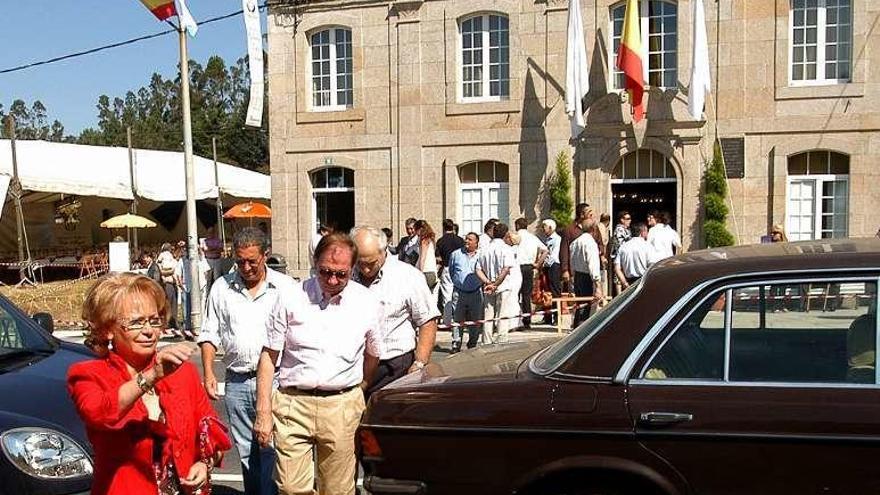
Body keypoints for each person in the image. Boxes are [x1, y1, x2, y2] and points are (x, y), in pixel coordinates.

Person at [67, 273, 230, 495]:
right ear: (107, 330)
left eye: (154, 321)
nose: (149, 331)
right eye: (135, 322)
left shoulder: (183, 373)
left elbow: (213, 434)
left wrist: (204, 464)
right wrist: (152, 375)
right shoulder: (89, 374)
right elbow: (99, 413)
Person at [253, 233, 382, 495]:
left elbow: (373, 355)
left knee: (336, 490)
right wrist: (263, 411)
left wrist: (359, 389)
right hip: (293, 403)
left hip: (341, 406)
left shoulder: (367, 303)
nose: (332, 280)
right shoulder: (290, 296)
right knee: (289, 488)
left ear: (352, 269)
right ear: (315, 262)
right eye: (325, 272)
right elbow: (268, 356)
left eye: (341, 274)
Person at [198, 227, 296, 495]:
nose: (246, 267)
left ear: (265, 255)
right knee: (246, 451)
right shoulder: (222, 288)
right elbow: (210, 332)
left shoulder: (286, 288)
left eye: (253, 260)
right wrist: (208, 372)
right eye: (240, 260)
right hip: (237, 382)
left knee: (272, 449)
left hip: (277, 382)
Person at [352, 226, 440, 395]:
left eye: (370, 263)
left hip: (393, 367)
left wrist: (420, 363)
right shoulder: (347, 275)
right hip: (354, 366)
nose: (365, 269)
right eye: (359, 263)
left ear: (384, 251)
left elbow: (428, 321)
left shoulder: (408, 277)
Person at [476, 222, 516, 344]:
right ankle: (501, 340)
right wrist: (496, 284)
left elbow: (478, 269)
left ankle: (486, 340)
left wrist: (488, 282)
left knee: (488, 315)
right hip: (503, 285)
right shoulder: (507, 249)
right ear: (506, 234)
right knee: (502, 315)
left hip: (489, 285)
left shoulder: (484, 249)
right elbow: (505, 269)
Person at [448, 232, 483, 352]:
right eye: (466, 239)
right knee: (457, 318)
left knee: (475, 320)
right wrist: (458, 283)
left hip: (476, 292)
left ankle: (472, 344)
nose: (467, 241)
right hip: (459, 292)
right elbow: (452, 271)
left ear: (476, 243)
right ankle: (456, 344)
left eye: (470, 240)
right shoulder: (456, 254)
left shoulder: (481, 255)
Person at [569, 207, 603, 328]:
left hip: (577, 275)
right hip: (586, 277)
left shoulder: (575, 242)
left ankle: (576, 326)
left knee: (579, 304)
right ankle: (582, 328)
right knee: (585, 306)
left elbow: (571, 262)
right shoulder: (590, 243)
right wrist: (598, 285)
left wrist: (572, 278)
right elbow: (593, 264)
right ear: (593, 229)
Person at [514, 218, 548, 329]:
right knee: (526, 295)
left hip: (517, 267)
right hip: (529, 267)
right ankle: (527, 320)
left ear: (517, 226)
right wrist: (538, 263)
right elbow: (545, 250)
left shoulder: (516, 237)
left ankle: (515, 320)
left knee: (515, 294)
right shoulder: (533, 238)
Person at [175, 248, 211, 338]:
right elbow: (178, 273)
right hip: (187, 287)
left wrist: (205, 284)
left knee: (200, 309)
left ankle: (200, 328)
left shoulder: (200, 259)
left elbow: (207, 271)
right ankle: (187, 329)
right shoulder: (182, 260)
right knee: (186, 309)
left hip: (199, 287)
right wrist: (180, 284)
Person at [436, 219, 465, 324]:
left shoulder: (440, 241)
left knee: (446, 295)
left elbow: (438, 258)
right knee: (458, 294)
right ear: (452, 227)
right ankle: (459, 318)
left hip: (447, 268)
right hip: (459, 268)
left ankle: (447, 320)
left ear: (443, 228)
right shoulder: (460, 240)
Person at [560, 203, 590, 292]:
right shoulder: (570, 230)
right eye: (589, 212)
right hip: (575, 271)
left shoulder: (593, 228)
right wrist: (565, 270)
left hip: (590, 269)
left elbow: (599, 243)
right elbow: (564, 250)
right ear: (581, 215)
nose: (592, 215)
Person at [614, 223, 651, 290]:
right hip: (644, 282)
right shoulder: (647, 246)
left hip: (628, 283)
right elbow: (652, 265)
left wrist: (625, 283)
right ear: (642, 232)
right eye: (647, 231)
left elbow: (617, 268)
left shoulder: (623, 247)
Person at [540, 219, 562, 325]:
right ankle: (547, 316)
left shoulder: (557, 239)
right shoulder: (547, 239)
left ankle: (557, 317)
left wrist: (545, 263)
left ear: (551, 227)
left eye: (545, 226)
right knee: (546, 292)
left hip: (554, 266)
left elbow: (553, 255)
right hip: (547, 266)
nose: (543, 229)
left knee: (555, 291)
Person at [156, 242, 179, 332]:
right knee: (170, 304)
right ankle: (169, 322)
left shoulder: (163, 257)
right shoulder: (164, 256)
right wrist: (170, 271)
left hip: (170, 283)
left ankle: (171, 322)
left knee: (171, 303)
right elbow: (167, 269)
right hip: (167, 283)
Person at [609, 211, 633, 295]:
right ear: (622, 220)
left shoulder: (627, 230)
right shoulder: (619, 230)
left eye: (630, 219)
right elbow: (619, 245)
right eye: (627, 219)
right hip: (620, 257)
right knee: (618, 278)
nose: (629, 220)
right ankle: (619, 296)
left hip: (625, 257)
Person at [414, 219, 439, 290]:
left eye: (416, 230)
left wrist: (420, 272)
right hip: (432, 272)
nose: (416, 233)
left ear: (420, 229)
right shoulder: (431, 239)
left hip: (425, 271)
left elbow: (423, 257)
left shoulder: (424, 240)